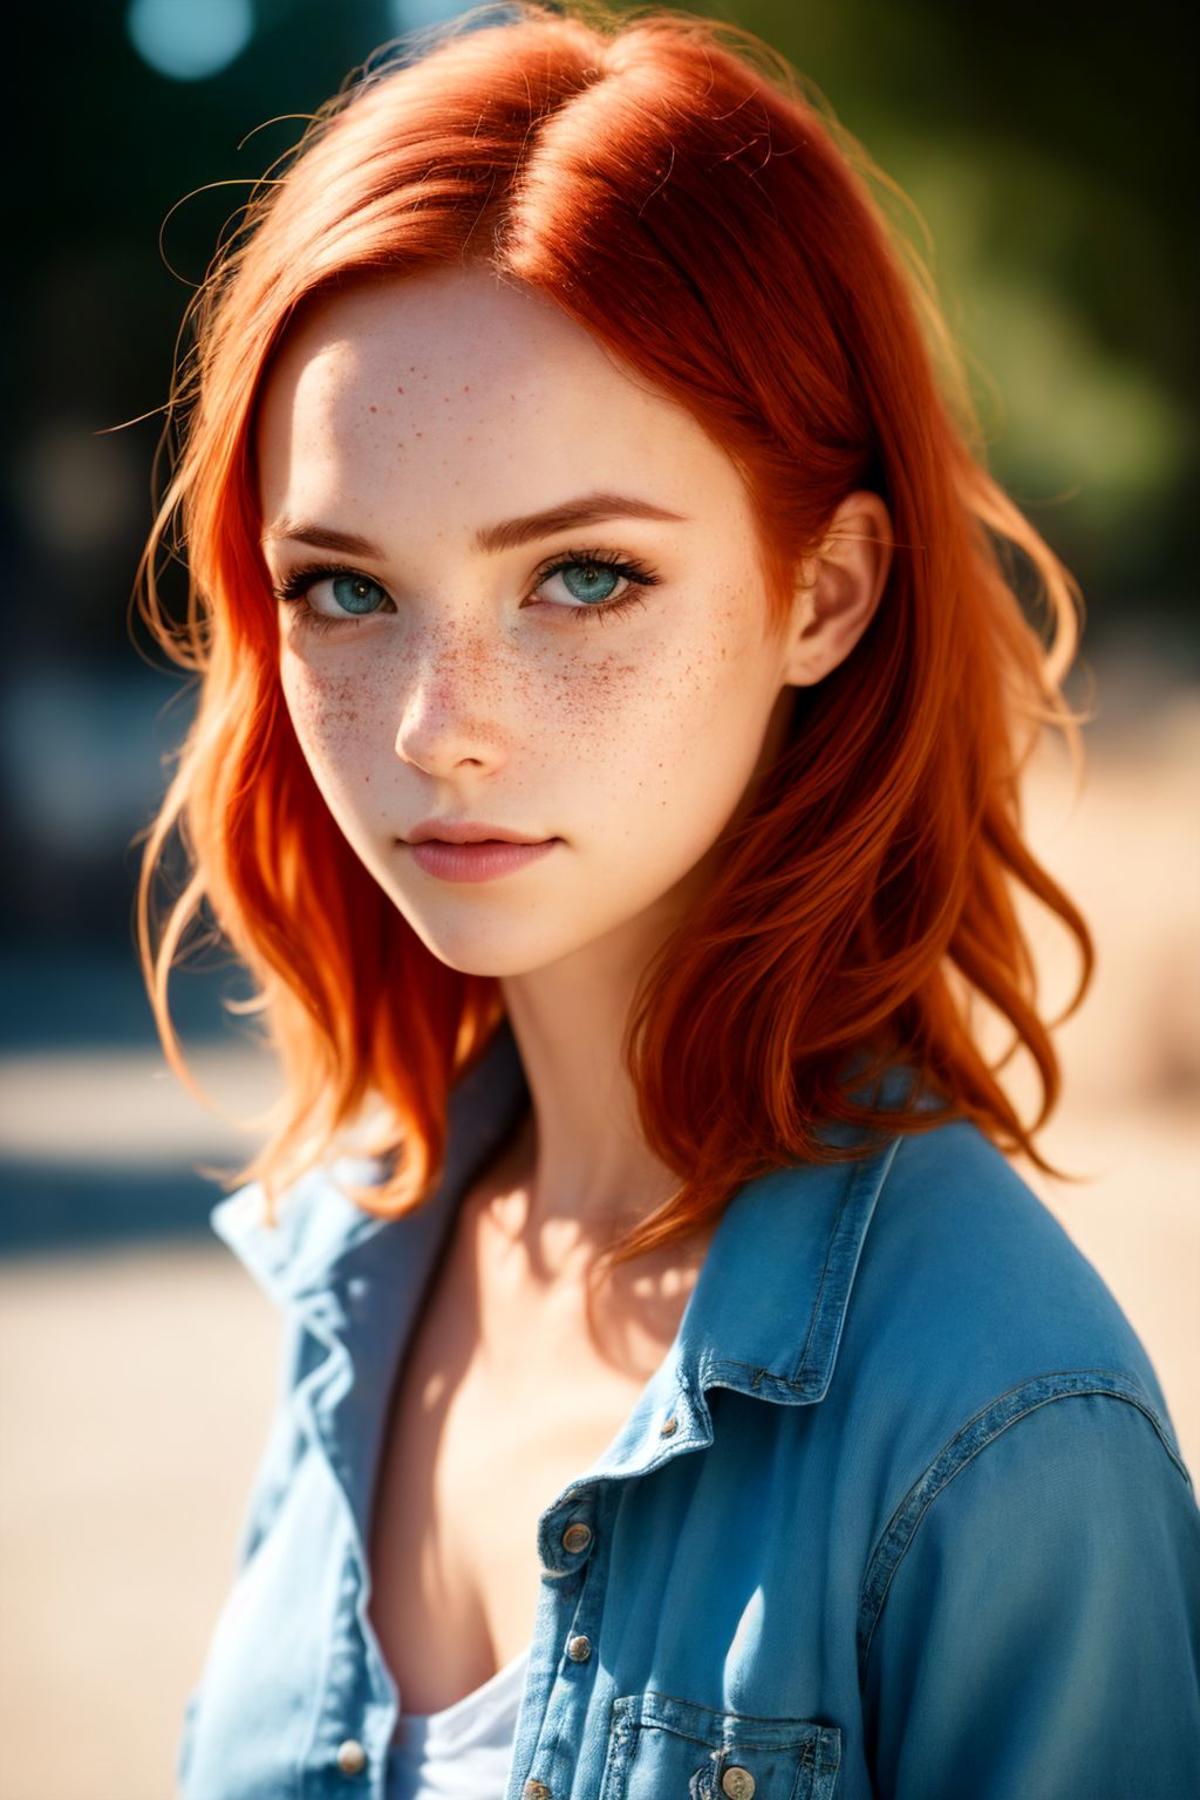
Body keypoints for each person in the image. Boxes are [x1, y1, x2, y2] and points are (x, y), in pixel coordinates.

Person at [133, 4, 1200, 1796]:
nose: (436, 726)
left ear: (827, 591)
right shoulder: (367, 1272)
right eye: (343, 590)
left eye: (583, 575)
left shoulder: (999, 1421)